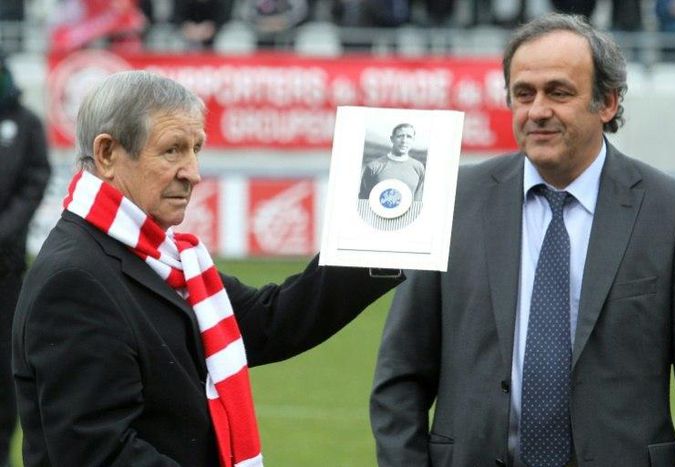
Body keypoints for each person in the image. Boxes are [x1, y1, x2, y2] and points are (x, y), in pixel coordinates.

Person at [12, 70, 403, 467]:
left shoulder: (166, 259)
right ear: (108, 154)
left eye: (195, 148)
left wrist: (385, 232)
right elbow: (99, 454)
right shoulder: (76, 280)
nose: (193, 172)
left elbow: (273, 319)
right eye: (172, 150)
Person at [370, 13, 675, 467]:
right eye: (523, 94)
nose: (537, 110)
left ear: (606, 102)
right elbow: (400, 378)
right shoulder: (447, 198)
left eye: (558, 92)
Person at [0, 52, 50, 467]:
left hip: (6, 268)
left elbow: (36, 178)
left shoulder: (26, 124)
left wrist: (5, 230)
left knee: (6, 371)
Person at [358, 123, 425, 202]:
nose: (404, 141)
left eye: (409, 137)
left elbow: (418, 202)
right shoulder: (374, 167)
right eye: (400, 136)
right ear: (392, 139)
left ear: (413, 140)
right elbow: (363, 202)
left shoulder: (418, 168)